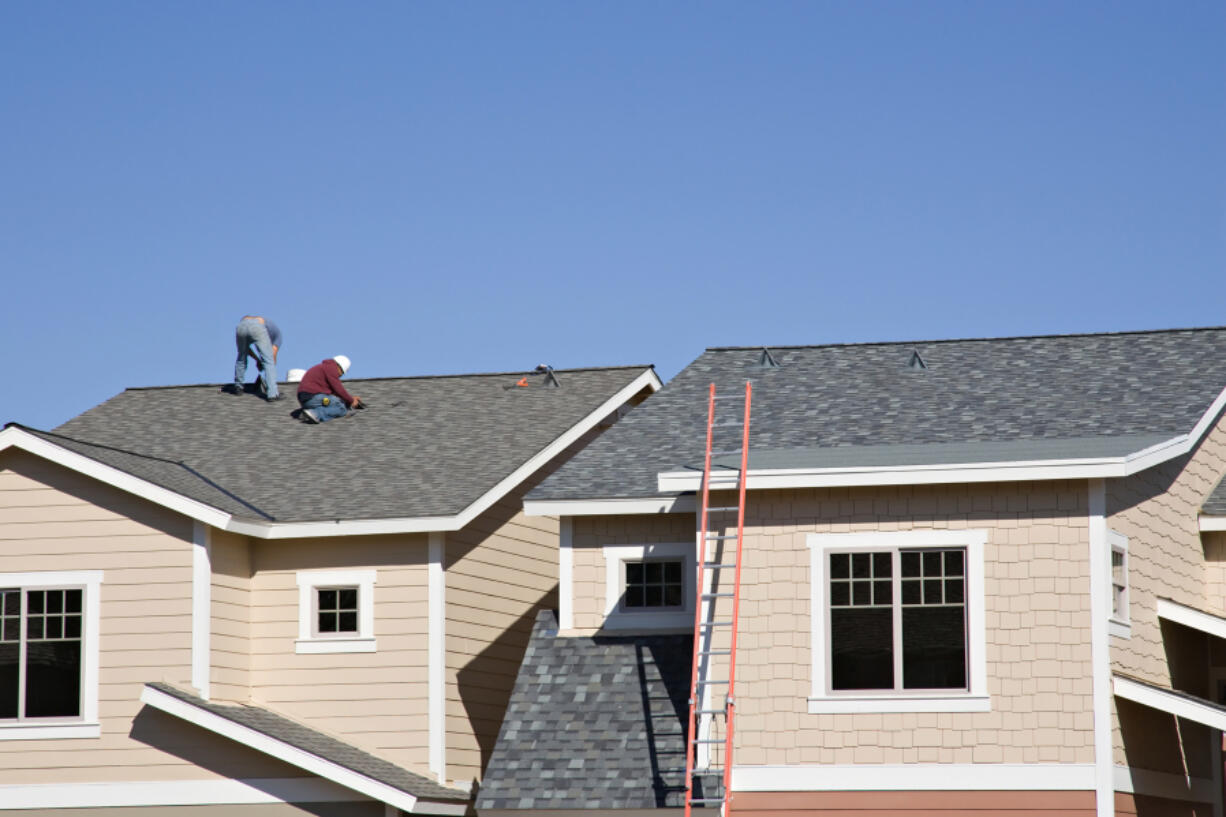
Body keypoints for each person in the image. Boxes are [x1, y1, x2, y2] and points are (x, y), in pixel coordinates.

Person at [297, 355, 362, 424]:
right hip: (313, 396)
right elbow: (338, 389)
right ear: (340, 367)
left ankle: (308, 412)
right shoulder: (331, 368)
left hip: (306, 399)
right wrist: (351, 401)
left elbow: (335, 393)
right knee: (341, 407)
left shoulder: (324, 368)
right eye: (342, 373)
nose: (340, 376)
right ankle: (316, 414)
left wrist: (349, 399)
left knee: (335, 401)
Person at [232, 315, 283, 401]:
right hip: (257, 326)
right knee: (269, 361)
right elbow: (272, 357)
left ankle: (238, 387)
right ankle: (273, 394)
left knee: (241, 357)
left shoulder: (267, 327)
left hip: (241, 325)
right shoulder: (278, 337)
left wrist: (257, 360)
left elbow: (247, 350)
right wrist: (262, 363)